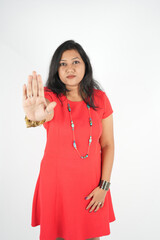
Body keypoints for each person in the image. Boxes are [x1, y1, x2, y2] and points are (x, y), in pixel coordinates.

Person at [22, 40, 116, 240]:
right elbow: (44, 111)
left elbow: (107, 144)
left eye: (75, 62)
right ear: (56, 69)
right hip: (56, 188)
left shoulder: (100, 99)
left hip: (92, 190)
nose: (69, 68)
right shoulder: (51, 98)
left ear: (86, 65)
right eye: (62, 64)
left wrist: (104, 187)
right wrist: (35, 115)